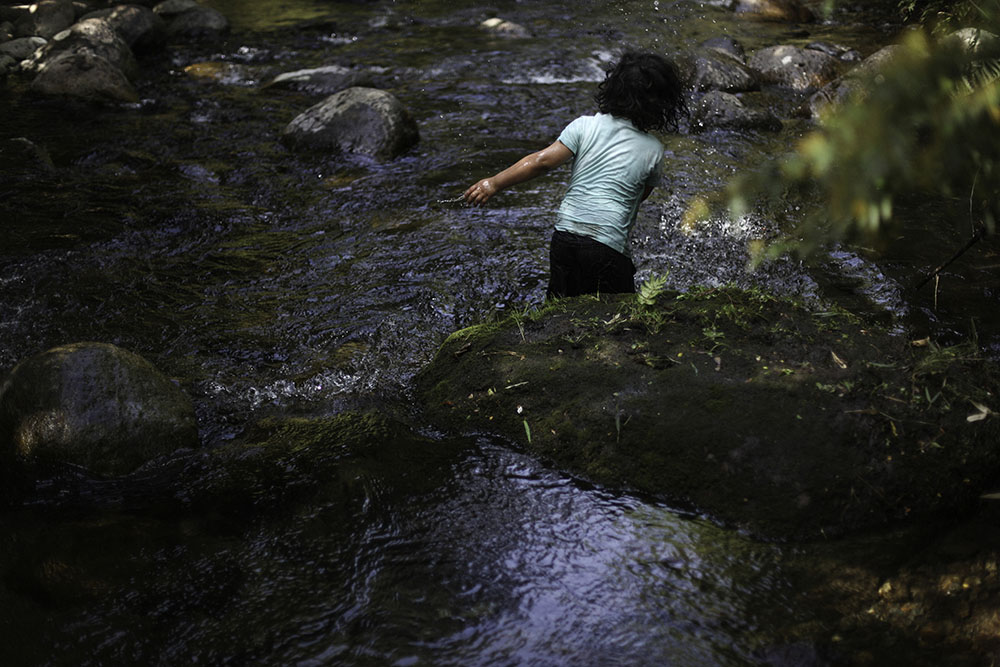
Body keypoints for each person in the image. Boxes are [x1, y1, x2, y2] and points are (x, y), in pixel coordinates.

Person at [464, 50, 687, 298]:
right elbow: (638, 195)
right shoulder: (654, 150)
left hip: (564, 238)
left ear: (612, 88)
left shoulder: (584, 126)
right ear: (663, 104)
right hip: (607, 247)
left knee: (560, 308)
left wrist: (493, 183)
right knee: (619, 315)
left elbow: (541, 162)